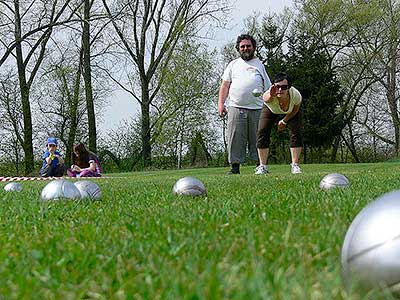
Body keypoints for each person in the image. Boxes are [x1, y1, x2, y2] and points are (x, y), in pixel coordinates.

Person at [218, 34, 271, 175]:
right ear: (238, 49)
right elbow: (224, 86)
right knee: (235, 138)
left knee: (258, 139)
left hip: (257, 108)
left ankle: (260, 167)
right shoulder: (233, 65)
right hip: (236, 107)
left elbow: (268, 88)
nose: (245, 48)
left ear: (253, 47)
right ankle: (235, 168)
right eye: (242, 46)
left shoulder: (259, 65)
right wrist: (221, 104)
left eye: (248, 46)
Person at [255, 72, 303, 175]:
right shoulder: (269, 94)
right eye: (277, 87)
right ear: (273, 86)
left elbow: (295, 109)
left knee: (296, 132)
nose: (280, 90)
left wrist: (284, 121)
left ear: (289, 87)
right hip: (270, 110)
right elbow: (266, 99)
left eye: (284, 87)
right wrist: (272, 95)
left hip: (291, 111)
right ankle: (262, 166)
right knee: (262, 131)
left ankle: (295, 165)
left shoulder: (296, 95)